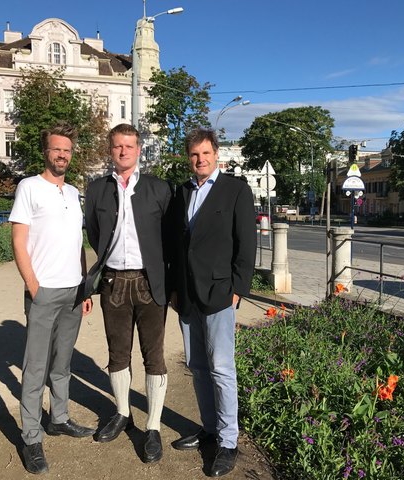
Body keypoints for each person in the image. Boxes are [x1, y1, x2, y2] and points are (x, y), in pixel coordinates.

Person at [10, 122, 95, 475]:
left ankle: (58, 418)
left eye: (68, 150)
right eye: (57, 149)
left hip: (74, 292)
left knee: (62, 364)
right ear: (47, 151)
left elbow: (77, 243)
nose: (62, 155)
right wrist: (33, 285)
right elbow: (18, 240)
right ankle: (31, 437)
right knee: (35, 368)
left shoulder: (74, 192)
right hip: (44, 291)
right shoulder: (29, 187)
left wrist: (85, 287)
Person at [83, 123, 172, 463]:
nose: (124, 151)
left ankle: (153, 427)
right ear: (111, 150)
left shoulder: (158, 189)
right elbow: (94, 231)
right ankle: (122, 413)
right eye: (118, 146)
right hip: (114, 283)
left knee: (155, 357)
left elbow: (168, 237)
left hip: (150, 283)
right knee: (117, 353)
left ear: (138, 150)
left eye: (129, 146)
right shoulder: (97, 190)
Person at [170, 128, 256, 477]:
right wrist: (175, 288)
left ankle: (228, 441)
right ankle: (209, 429)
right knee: (197, 364)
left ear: (216, 154)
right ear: (188, 158)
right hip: (187, 295)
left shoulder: (235, 189)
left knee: (221, 367)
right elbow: (177, 244)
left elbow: (246, 241)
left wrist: (238, 287)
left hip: (220, 293)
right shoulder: (183, 191)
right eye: (194, 155)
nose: (200, 160)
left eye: (205, 153)